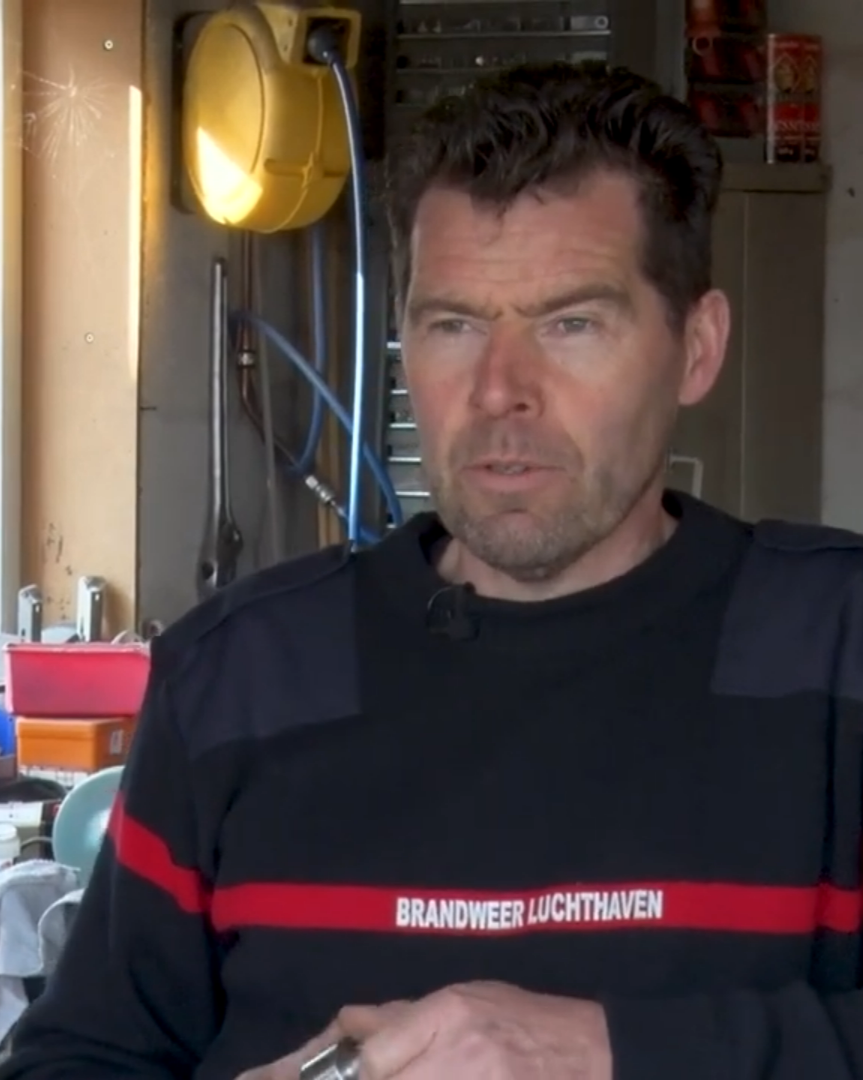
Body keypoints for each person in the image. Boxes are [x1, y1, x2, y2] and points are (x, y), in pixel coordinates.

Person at [2, 58, 862, 1080]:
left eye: (570, 324)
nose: (500, 390)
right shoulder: (240, 677)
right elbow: (78, 1058)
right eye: (452, 324)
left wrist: (603, 1050)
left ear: (696, 348)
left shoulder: (835, 650)